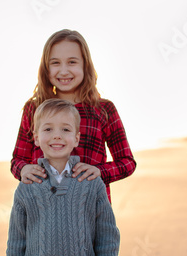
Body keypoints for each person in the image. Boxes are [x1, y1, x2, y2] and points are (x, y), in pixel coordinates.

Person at [3, 99, 120, 256]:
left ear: (76, 138)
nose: (57, 136)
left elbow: (107, 236)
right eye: (48, 129)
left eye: (65, 129)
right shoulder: (27, 186)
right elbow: (16, 241)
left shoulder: (91, 183)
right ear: (35, 137)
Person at [10, 29, 136, 204]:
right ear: (46, 68)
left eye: (72, 62)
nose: (63, 71)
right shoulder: (34, 109)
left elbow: (127, 162)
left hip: (91, 212)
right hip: (43, 212)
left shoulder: (103, 109)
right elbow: (18, 159)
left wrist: (100, 171)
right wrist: (23, 170)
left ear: (85, 65)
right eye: (55, 63)